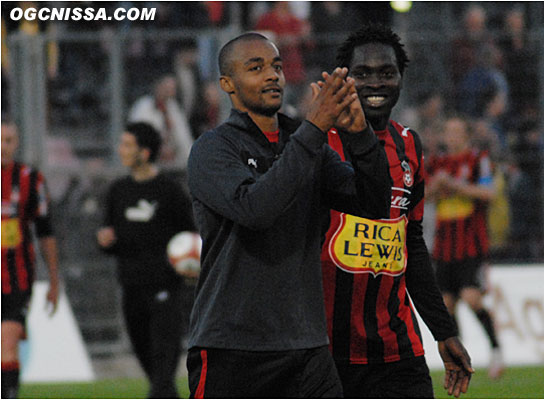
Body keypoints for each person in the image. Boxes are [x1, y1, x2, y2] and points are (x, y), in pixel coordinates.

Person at [185, 32, 391, 398]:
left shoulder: (303, 140)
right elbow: (256, 209)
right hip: (232, 347)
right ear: (227, 84)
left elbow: (374, 205)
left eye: (277, 67)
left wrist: (360, 135)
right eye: (256, 67)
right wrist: (314, 130)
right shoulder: (214, 148)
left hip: (306, 346)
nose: (272, 75)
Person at [320, 25, 474, 399]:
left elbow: (411, 243)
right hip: (325, 352)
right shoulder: (317, 142)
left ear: (401, 78)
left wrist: (444, 330)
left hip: (397, 350)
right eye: (363, 73)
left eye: (387, 73)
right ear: (344, 78)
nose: (376, 83)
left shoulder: (409, 145)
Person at [96, 122, 195, 398]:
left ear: (145, 151)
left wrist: (188, 262)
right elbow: (109, 236)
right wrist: (104, 241)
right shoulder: (118, 191)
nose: (121, 150)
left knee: (163, 369)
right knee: (151, 368)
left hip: (164, 289)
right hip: (131, 289)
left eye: (127, 145)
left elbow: (190, 235)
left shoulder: (169, 191)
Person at [426, 116, 504, 380]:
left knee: (471, 297)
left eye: (457, 132)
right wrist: (436, 188)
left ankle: (496, 350)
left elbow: (490, 193)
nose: (452, 137)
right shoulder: (436, 164)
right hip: (444, 246)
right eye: (448, 131)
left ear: (466, 136)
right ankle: (459, 359)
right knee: (447, 306)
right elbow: (421, 196)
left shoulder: (477, 159)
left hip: (471, 244)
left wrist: (456, 186)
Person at [1, 120, 60, 399]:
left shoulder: (30, 179)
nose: (3, 147)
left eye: (9, 140)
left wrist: (54, 280)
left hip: (17, 279)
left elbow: (45, 232)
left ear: (17, 143)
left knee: (7, 345)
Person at [128, 75, 194, 167]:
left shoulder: (173, 107)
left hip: (173, 160)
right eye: (166, 88)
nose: (169, 92)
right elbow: (138, 137)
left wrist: (191, 159)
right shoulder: (143, 106)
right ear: (158, 87)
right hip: (148, 161)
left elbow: (183, 136)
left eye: (172, 89)